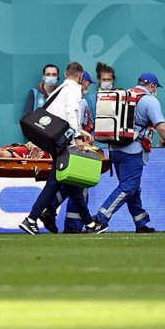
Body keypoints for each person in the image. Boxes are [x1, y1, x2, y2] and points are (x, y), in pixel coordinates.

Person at [18, 62, 108, 235]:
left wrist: (80, 132)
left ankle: (89, 223)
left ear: (66, 74)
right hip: (64, 141)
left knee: (70, 181)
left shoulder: (61, 89)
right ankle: (31, 219)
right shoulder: (74, 89)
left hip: (54, 139)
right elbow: (70, 113)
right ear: (80, 76)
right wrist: (78, 137)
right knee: (55, 183)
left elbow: (58, 117)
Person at [95, 72, 165, 233]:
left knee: (132, 188)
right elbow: (161, 126)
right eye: (156, 87)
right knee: (128, 187)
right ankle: (100, 218)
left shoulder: (125, 95)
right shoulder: (149, 100)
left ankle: (140, 223)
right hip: (133, 149)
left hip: (114, 148)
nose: (156, 91)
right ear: (152, 85)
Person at [39, 70, 95, 234]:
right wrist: (80, 138)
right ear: (82, 81)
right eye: (88, 84)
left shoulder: (64, 92)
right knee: (78, 184)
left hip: (66, 144)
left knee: (65, 184)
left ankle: (49, 211)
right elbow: (74, 122)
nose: (87, 87)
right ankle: (74, 224)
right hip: (73, 146)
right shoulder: (78, 98)